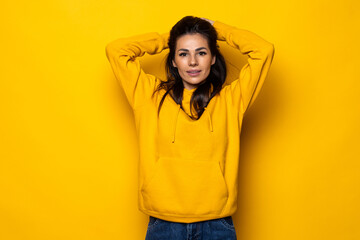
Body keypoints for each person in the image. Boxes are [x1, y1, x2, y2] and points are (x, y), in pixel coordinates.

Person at [105, 16, 275, 240]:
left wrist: (216, 29)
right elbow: (116, 50)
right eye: (183, 53)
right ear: (174, 60)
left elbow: (264, 50)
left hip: (216, 224)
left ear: (213, 57)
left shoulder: (232, 99)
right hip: (163, 224)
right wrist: (173, 37)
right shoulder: (148, 95)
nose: (192, 61)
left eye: (201, 52)